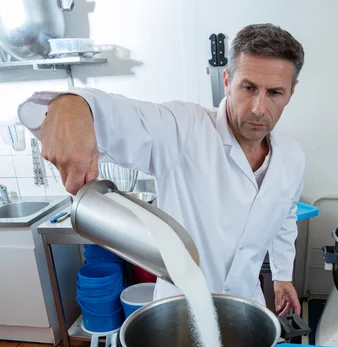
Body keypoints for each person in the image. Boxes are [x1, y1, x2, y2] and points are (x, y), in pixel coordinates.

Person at [18, 23, 305, 315]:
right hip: (179, 312)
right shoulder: (183, 129)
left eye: (274, 93)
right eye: (248, 87)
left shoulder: (292, 156)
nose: (258, 107)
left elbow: (285, 216)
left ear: (291, 92)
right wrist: (72, 106)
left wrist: (283, 275)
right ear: (228, 80)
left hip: (247, 305)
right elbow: (123, 118)